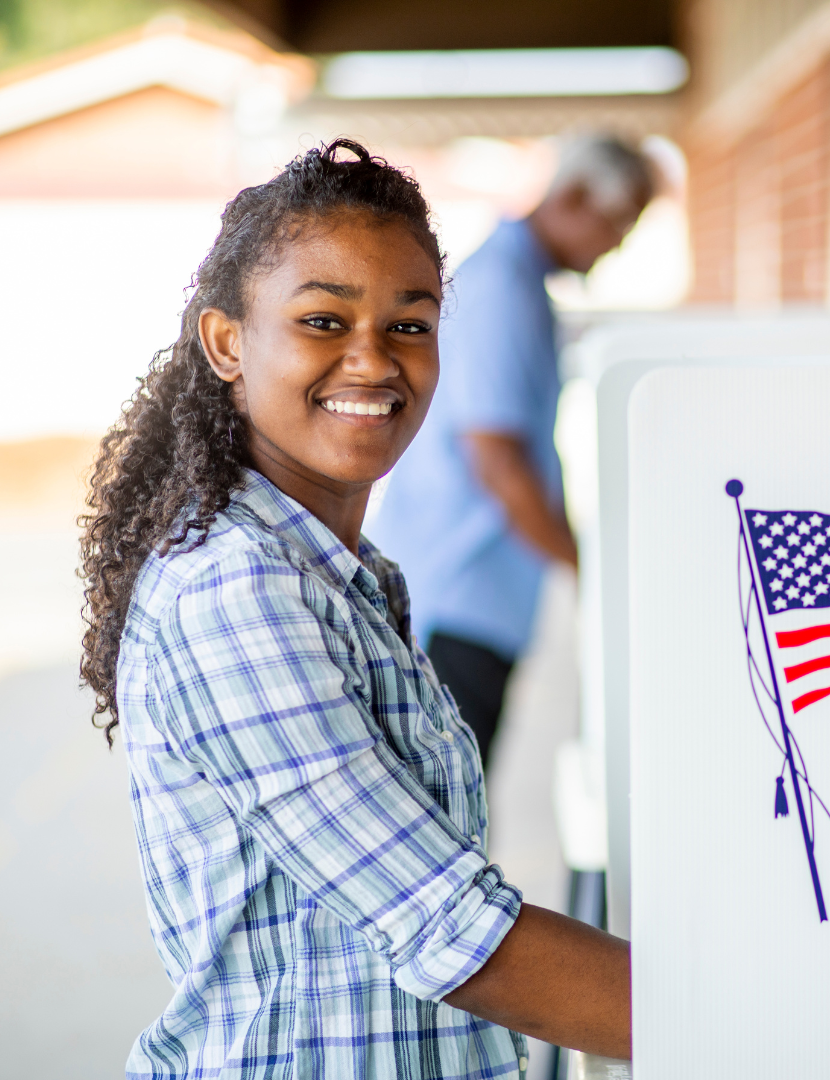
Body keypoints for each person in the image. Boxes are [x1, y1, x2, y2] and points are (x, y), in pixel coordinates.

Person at [79, 140, 629, 1078]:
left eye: (409, 325)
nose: (373, 360)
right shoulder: (237, 589)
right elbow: (455, 931)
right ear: (228, 344)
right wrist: (749, 1014)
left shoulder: (344, 571)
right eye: (324, 321)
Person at [368, 135, 654, 772]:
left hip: (475, 597)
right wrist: (588, 568)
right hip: (455, 599)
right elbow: (496, 458)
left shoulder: (520, 277)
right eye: (621, 221)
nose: (621, 243)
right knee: (445, 813)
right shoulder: (503, 285)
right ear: (575, 197)